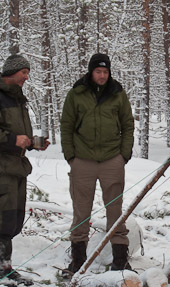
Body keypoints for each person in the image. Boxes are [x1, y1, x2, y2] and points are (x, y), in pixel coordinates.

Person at [0, 54, 50, 286]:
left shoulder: (16, 98)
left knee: (15, 220)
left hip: (16, 165)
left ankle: (4, 267)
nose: (26, 77)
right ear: (11, 72)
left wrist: (33, 142)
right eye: (23, 72)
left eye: (27, 73)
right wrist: (13, 140)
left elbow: (16, 132)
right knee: (2, 218)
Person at [60, 53, 134, 275]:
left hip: (112, 159)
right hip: (82, 160)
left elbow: (128, 124)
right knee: (81, 212)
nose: (102, 75)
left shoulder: (118, 94)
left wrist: (124, 155)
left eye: (105, 71)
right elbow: (66, 125)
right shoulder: (77, 94)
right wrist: (71, 156)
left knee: (115, 211)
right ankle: (78, 262)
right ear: (91, 72)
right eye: (98, 71)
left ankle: (120, 262)